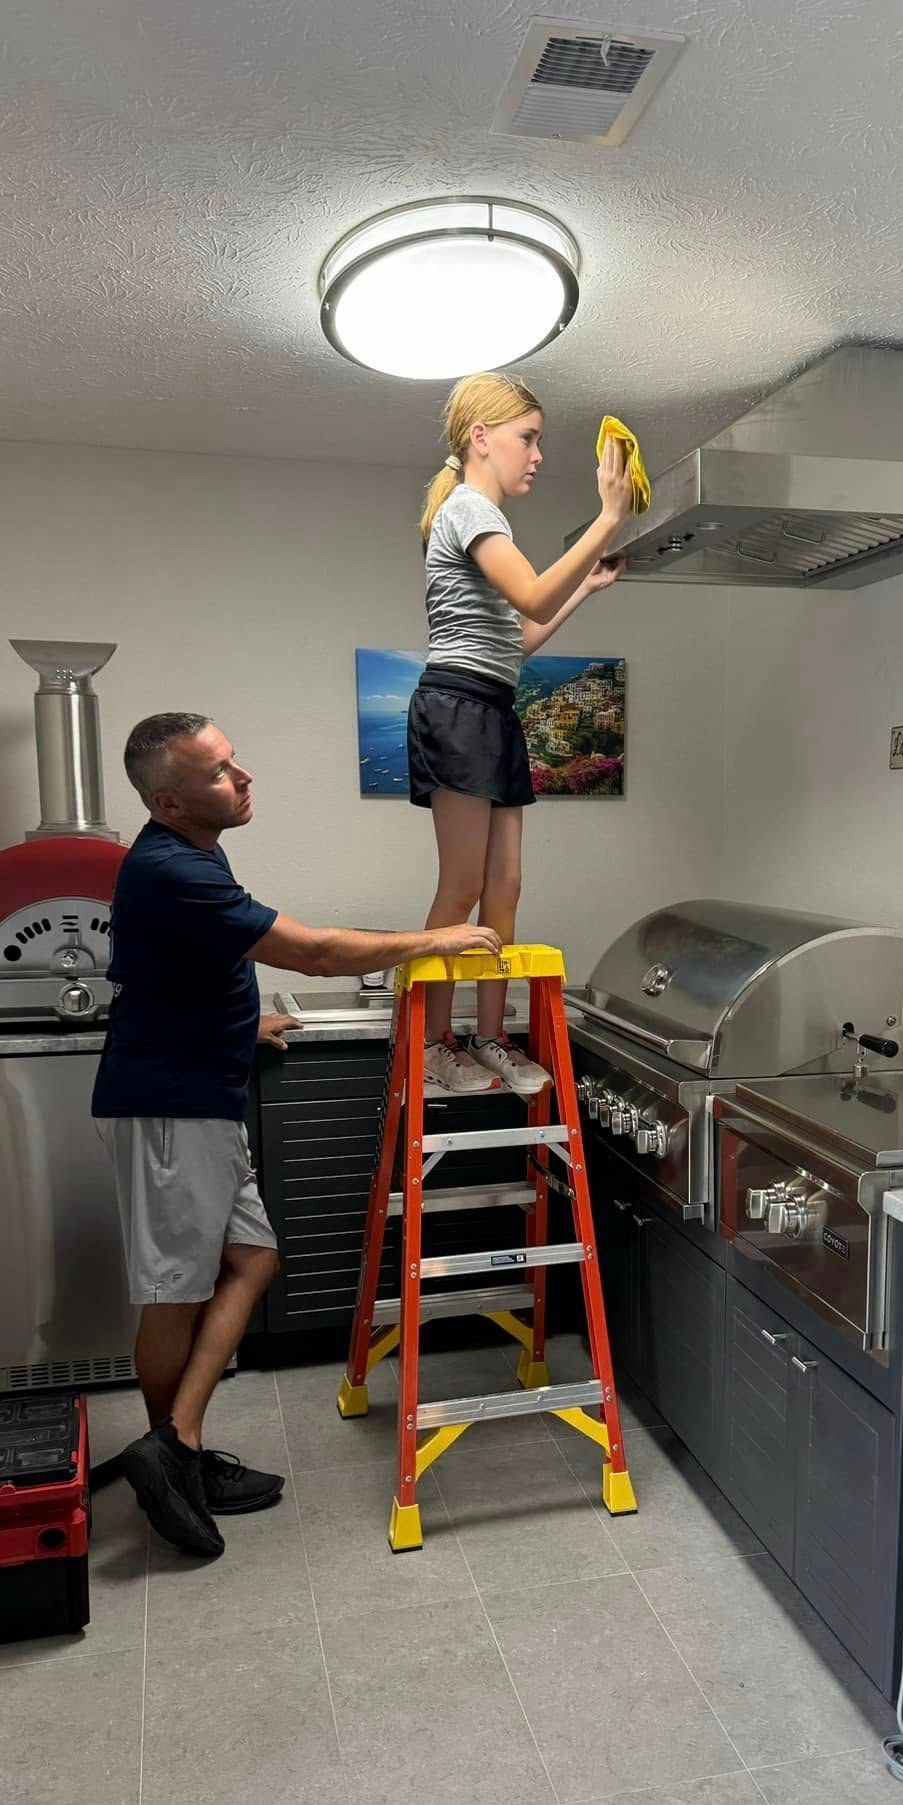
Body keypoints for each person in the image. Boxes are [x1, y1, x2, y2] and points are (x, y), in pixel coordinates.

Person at [92, 711, 500, 1560]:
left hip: (204, 1086)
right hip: (172, 1107)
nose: (241, 779)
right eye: (217, 772)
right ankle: (176, 1456)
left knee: (254, 1260)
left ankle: (176, 1445)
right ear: (168, 801)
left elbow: (189, 966)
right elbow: (310, 953)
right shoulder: (171, 865)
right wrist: (436, 937)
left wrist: (241, 1030)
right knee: (177, 1289)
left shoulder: (197, 852)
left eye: (235, 762)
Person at [409, 370, 632, 1095]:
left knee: (504, 884)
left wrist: (587, 591)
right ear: (481, 438)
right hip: (458, 707)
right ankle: (430, 1043)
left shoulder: (481, 516)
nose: (537, 455)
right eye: (527, 439)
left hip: (491, 704)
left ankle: (489, 1037)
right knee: (462, 886)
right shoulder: (472, 510)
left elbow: (519, 636)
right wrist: (607, 516)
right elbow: (533, 589)